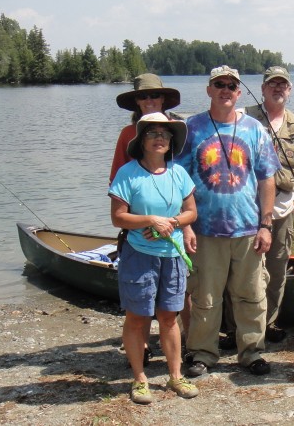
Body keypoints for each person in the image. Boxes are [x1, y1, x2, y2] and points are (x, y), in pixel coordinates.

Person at [176, 65, 280, 377]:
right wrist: (185, 225)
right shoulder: (191, 129)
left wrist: (266, 224)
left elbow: (267, 180)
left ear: (238, 93)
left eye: (231, 86)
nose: (225, 90)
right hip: (205, 230)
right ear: (208, 89)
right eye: (218, 84)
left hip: (248, 229)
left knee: (251, 294)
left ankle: (251, 352)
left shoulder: (255, 130)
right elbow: (179, 180)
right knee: (205, 296)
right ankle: (203, 353)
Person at [109, 112, 199, 403]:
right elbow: (118, 218)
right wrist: (149, 220)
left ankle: (175, 377)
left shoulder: (178, 173)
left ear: (171, 141)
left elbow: (191, 213)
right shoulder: (128, 173)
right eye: (152, 133)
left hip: (172, 255)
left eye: (165, 134)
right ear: (141, 141)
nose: (160, 138)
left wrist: (170, 223)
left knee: (169, 318)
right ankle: (139, 379)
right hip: (139, 256)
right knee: (137, 318)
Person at [111, 73, 189, 367]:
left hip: (174, 233)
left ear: (163, 99)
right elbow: (120, 186)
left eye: (153, 96)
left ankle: (181, 356)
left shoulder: (176, 130)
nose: (148, 100)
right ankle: (140, 351)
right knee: (139, 308)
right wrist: (145, 222)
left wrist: (183, 224)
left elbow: (186, 191)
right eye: (143, 96)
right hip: (141, 231)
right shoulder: (126, 135)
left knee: (176, 304)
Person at [244, 66, 294, 342]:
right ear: (262, 89)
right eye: (272, 84)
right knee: (245, 272)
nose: (278, 89)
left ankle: (268, 323)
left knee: (276, 270)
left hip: (283, 210)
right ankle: (236, 325)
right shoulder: (244, 119)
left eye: (282, 84)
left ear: (289, 89)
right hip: (247, 210)